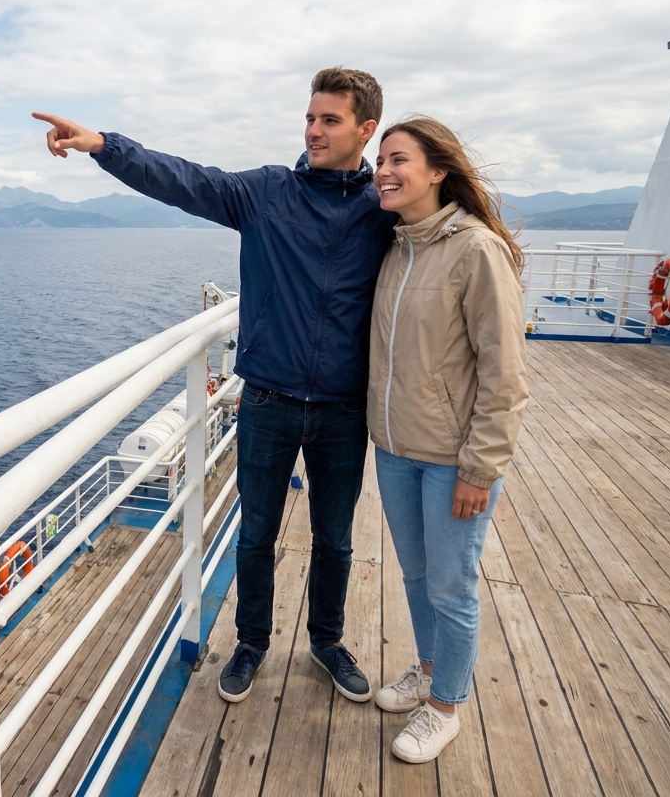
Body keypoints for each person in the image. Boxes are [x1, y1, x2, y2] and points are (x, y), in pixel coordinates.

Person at [33, 67, 398, 704]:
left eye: (329, 120)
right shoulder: (267, 194)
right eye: (310, 116)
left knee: (334, 539)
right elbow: (184, 180)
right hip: (268, 398)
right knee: (255, 535)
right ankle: (251, 642)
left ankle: (327, 641)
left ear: (365, 130)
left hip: (343, 408)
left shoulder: (382, 212)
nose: (312, 129)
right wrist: (102, 145)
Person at [366, 116, 528, 762]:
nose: (384, 170)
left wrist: (480, 469)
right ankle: (429, 671)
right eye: (382, 159)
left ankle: (446, 707)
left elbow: (506, 372)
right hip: (395, 446)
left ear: (437, 172)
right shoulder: (395, 244)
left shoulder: (475, 249)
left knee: (451, 586)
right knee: (416, 575)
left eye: (399, 159)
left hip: (453, 457)